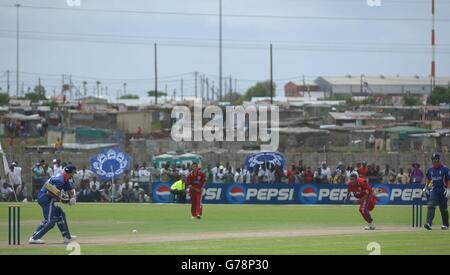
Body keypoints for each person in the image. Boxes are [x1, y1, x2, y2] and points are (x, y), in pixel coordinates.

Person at [29, 165, 77, 244]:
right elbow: (50, 192)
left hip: (47, 197)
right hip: (45, 198)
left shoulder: (64, 178)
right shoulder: (60, 180)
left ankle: (66, 237)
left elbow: (70, 190)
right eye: (73, 173)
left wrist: (73, 198)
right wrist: (64, 199)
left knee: (59, 213)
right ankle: (34, 238)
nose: (73, 175)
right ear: (70, 173)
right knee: (50, 222)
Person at [423, 153, 449, 230]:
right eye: (433, 161)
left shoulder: (445, 169)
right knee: (431, 205)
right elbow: (428, 179)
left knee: (443, 208)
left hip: (443, 190)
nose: (435, 162)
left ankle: (445, 224)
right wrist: (426, 187)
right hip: (434, 190)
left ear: (439, 160)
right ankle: (428, 223)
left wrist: (448, 189)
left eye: (436, 160)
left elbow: (448, 179)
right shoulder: (430, 170)